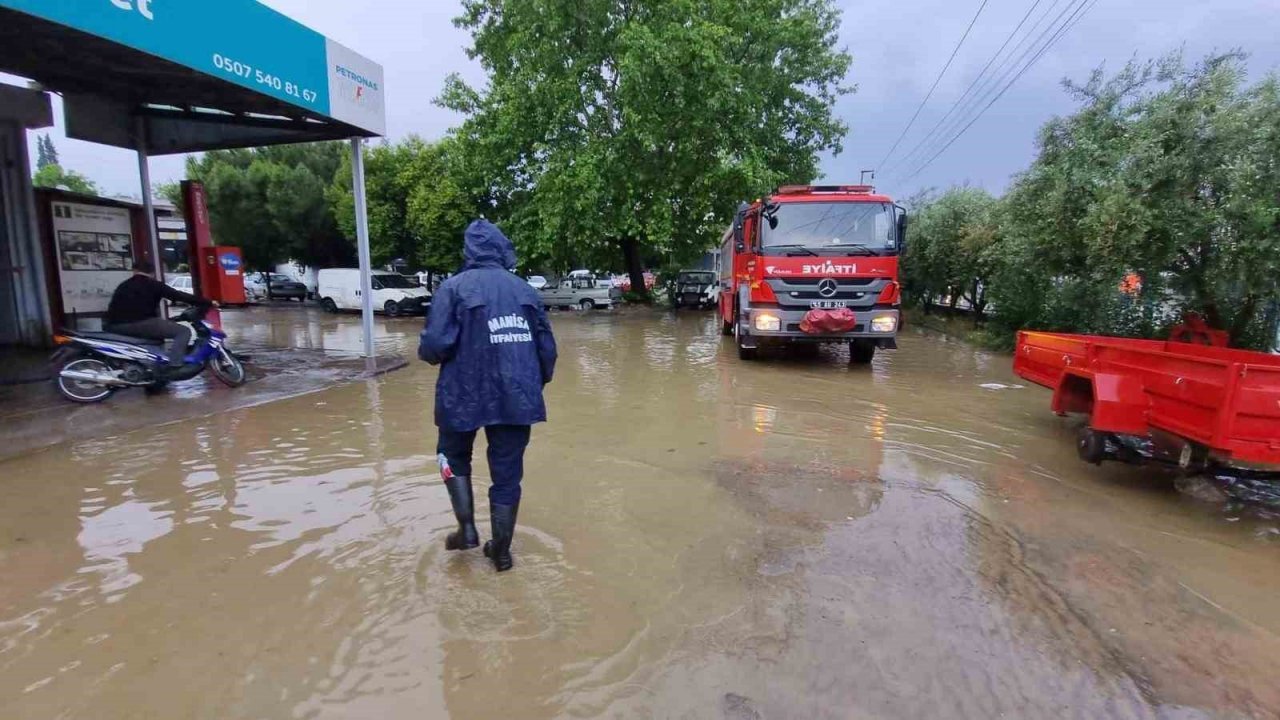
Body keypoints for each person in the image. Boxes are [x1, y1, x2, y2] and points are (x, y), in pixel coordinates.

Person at [419, 220, 557, 572]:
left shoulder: (453, 289)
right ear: (501, 249)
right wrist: (532, 384)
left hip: (461, 394)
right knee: (508, 474)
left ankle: (467, 530)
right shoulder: (526, 291)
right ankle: (502, 551)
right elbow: (547, 352)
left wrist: (430, 353)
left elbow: (435, 346)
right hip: (516, 397)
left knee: (450, 455)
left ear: (468, 251)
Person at [105, 259, 212, 373]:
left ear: (134, 271)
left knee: (156, 335)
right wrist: (207, 302)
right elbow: (179, 296)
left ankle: (154, 373)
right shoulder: (153, 285)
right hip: (140, 322)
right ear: (152, 273)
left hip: (114, 325)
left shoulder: (124, 285)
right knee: (183, 332)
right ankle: (175, 365)